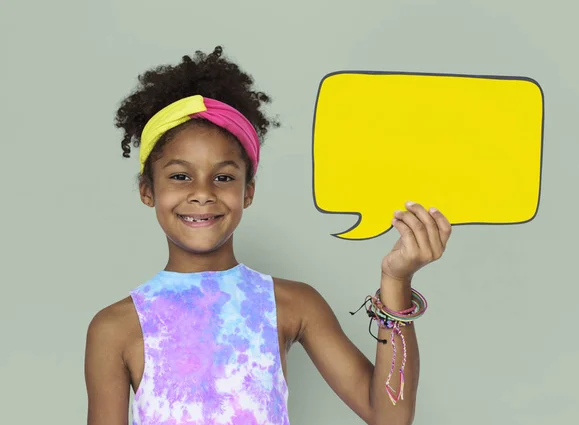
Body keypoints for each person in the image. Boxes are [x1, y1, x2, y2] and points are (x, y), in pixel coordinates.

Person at [84, 46, 452, 425]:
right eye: (180, 176)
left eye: (223, 177)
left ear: (248, 191)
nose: (203, 192)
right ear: (148, 191)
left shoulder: (293, 304)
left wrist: (397, 280)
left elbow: (390, 416)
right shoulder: (115, 328)